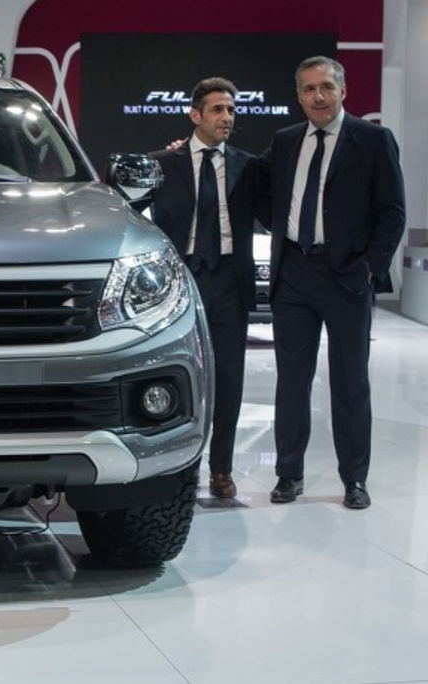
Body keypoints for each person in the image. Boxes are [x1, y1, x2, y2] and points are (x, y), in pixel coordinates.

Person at [261, 56, 406, 509]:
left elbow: (392, 212)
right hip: (293, 275)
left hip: (347, 277)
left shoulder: (374, 139)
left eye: (326, 87)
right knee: (291, 382)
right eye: (309, 89)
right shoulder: (285, 141)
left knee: (349, 382)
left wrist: (370, 267)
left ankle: (354, 479)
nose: (318, 96)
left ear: (343, 91)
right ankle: (289, 474)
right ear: (298, 96)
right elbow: (259, 190)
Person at [146, 77, 258, 499]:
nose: (227, 117)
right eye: (217, 110)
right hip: (181, 280)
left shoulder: (249, 165)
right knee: (177, 377)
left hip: (230, 280)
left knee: (229, 380)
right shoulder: (163, 163)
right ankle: (178, 467)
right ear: (195, 115)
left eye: (231, 110)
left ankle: (222, 469)